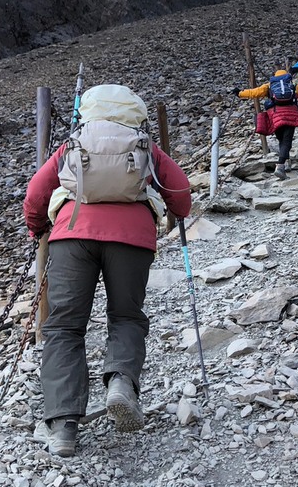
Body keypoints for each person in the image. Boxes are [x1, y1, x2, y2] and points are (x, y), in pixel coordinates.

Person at [23, 84, 191, 457]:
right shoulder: (145, 145)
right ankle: (120, 382)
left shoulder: (73, 143)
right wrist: (177, 216)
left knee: (64, 326)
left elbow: (36, 192)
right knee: (126, 316)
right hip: (132, 238)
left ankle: (64, 426)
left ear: (89, 111)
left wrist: (38, 228)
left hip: (71, 236)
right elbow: (180, 191)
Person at [233, 69, 298, 179]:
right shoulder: (295, 85)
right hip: (291, 115)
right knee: (287, 140)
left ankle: (285, 163)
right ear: (287, 76)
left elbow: (254, 92)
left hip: (275, 116)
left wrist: (239, 93)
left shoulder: (269, 86)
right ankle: (281, 165)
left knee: (282, 139)